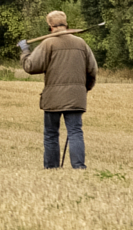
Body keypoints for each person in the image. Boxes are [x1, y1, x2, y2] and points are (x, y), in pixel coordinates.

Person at [19, 10, 97, 169]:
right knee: (75, 132)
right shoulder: (81, 43)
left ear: (50, 26)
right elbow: (92, 70)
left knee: (51, 134)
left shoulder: (48, 43)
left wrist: (25, 51)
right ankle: (79, 167)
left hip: (53, 98)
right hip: (76, 97)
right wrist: (83, 89)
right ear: (66, 24)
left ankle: (51, 169)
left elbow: (30, 66)